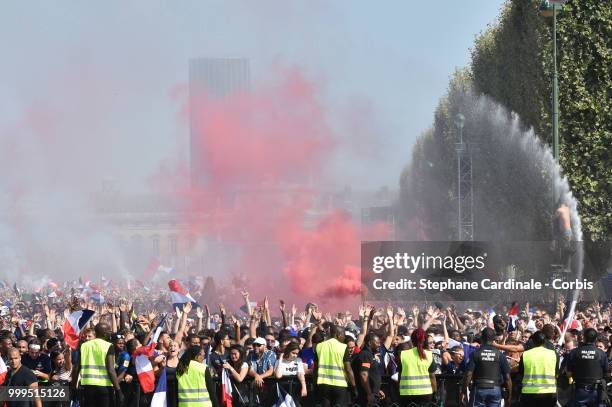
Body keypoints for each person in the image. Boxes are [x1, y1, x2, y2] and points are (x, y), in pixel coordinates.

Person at [73, 322, 123, 407]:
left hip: (87, 387)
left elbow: (77, 367)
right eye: (108, 331)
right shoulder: (108, 346)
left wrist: (74, 386)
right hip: (104, 388)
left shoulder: (84, 345)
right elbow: (111, 370)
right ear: (104, 333)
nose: (110, 332)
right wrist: (118, 390)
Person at [463, 327, 512, 407]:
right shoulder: (500, 355)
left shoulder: (475, 354)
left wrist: (463, 392)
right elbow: (507, 377)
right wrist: (509, 396)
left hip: (479, 389)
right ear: (494, 339)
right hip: (495, 389)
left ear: (481, 338)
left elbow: (468, 374)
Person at [314, 324, 356, 407]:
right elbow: (348, 369)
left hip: (323, 385)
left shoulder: (319, 346)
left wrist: (315, 384)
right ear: (338, 334)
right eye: (344, 335)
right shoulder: (343, 347)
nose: (344, 338)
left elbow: (316, 368)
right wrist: (354, 387)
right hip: (340, 386)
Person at [566, 328, 609, 407]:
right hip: (596, 392)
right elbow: (606, 373)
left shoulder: (574, 352)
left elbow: (569, 374)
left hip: (580, 391)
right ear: (595, 339)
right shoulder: (601, 353)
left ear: (584, 337)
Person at [398, 328, 437, 407]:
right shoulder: (429, 355)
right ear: (425, 340)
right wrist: (435, 391)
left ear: (412, 340)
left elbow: (400, 375)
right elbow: (432, 376)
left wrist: (399, 389)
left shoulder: (403, 355)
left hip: (406, 393)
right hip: (425, 393)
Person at [518, 330, 558, 407]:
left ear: (533, 341)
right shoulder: (553, 354)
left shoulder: (526, 354)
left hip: (529, 393)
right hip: (549, 392)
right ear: (544, 341)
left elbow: (521, 373)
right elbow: (556, 373)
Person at [353, 332, 384, 407]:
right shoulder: (365, 354)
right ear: (370, 343)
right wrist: (369, 393)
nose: (379, 345)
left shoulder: (370, 354)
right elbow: (364, 374)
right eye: (377, 343)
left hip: (373, 394)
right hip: (366, 396)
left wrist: (377, 389)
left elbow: (371, 374)